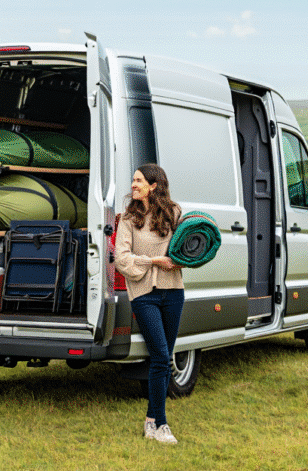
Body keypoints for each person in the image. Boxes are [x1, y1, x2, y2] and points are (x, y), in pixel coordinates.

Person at [114, 164, 185, 445]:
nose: (133, 184)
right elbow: (122, 259)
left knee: (164, 359)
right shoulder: (129, 218)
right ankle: (162, 424)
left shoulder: (174, 213)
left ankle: (151, 421)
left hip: (173, 292)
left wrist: (182, 260)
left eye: (139, 180)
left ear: (154, 185)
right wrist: (155, 261)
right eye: (133, 180)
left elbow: (186, 248)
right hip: (144, 294)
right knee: (160, 356)